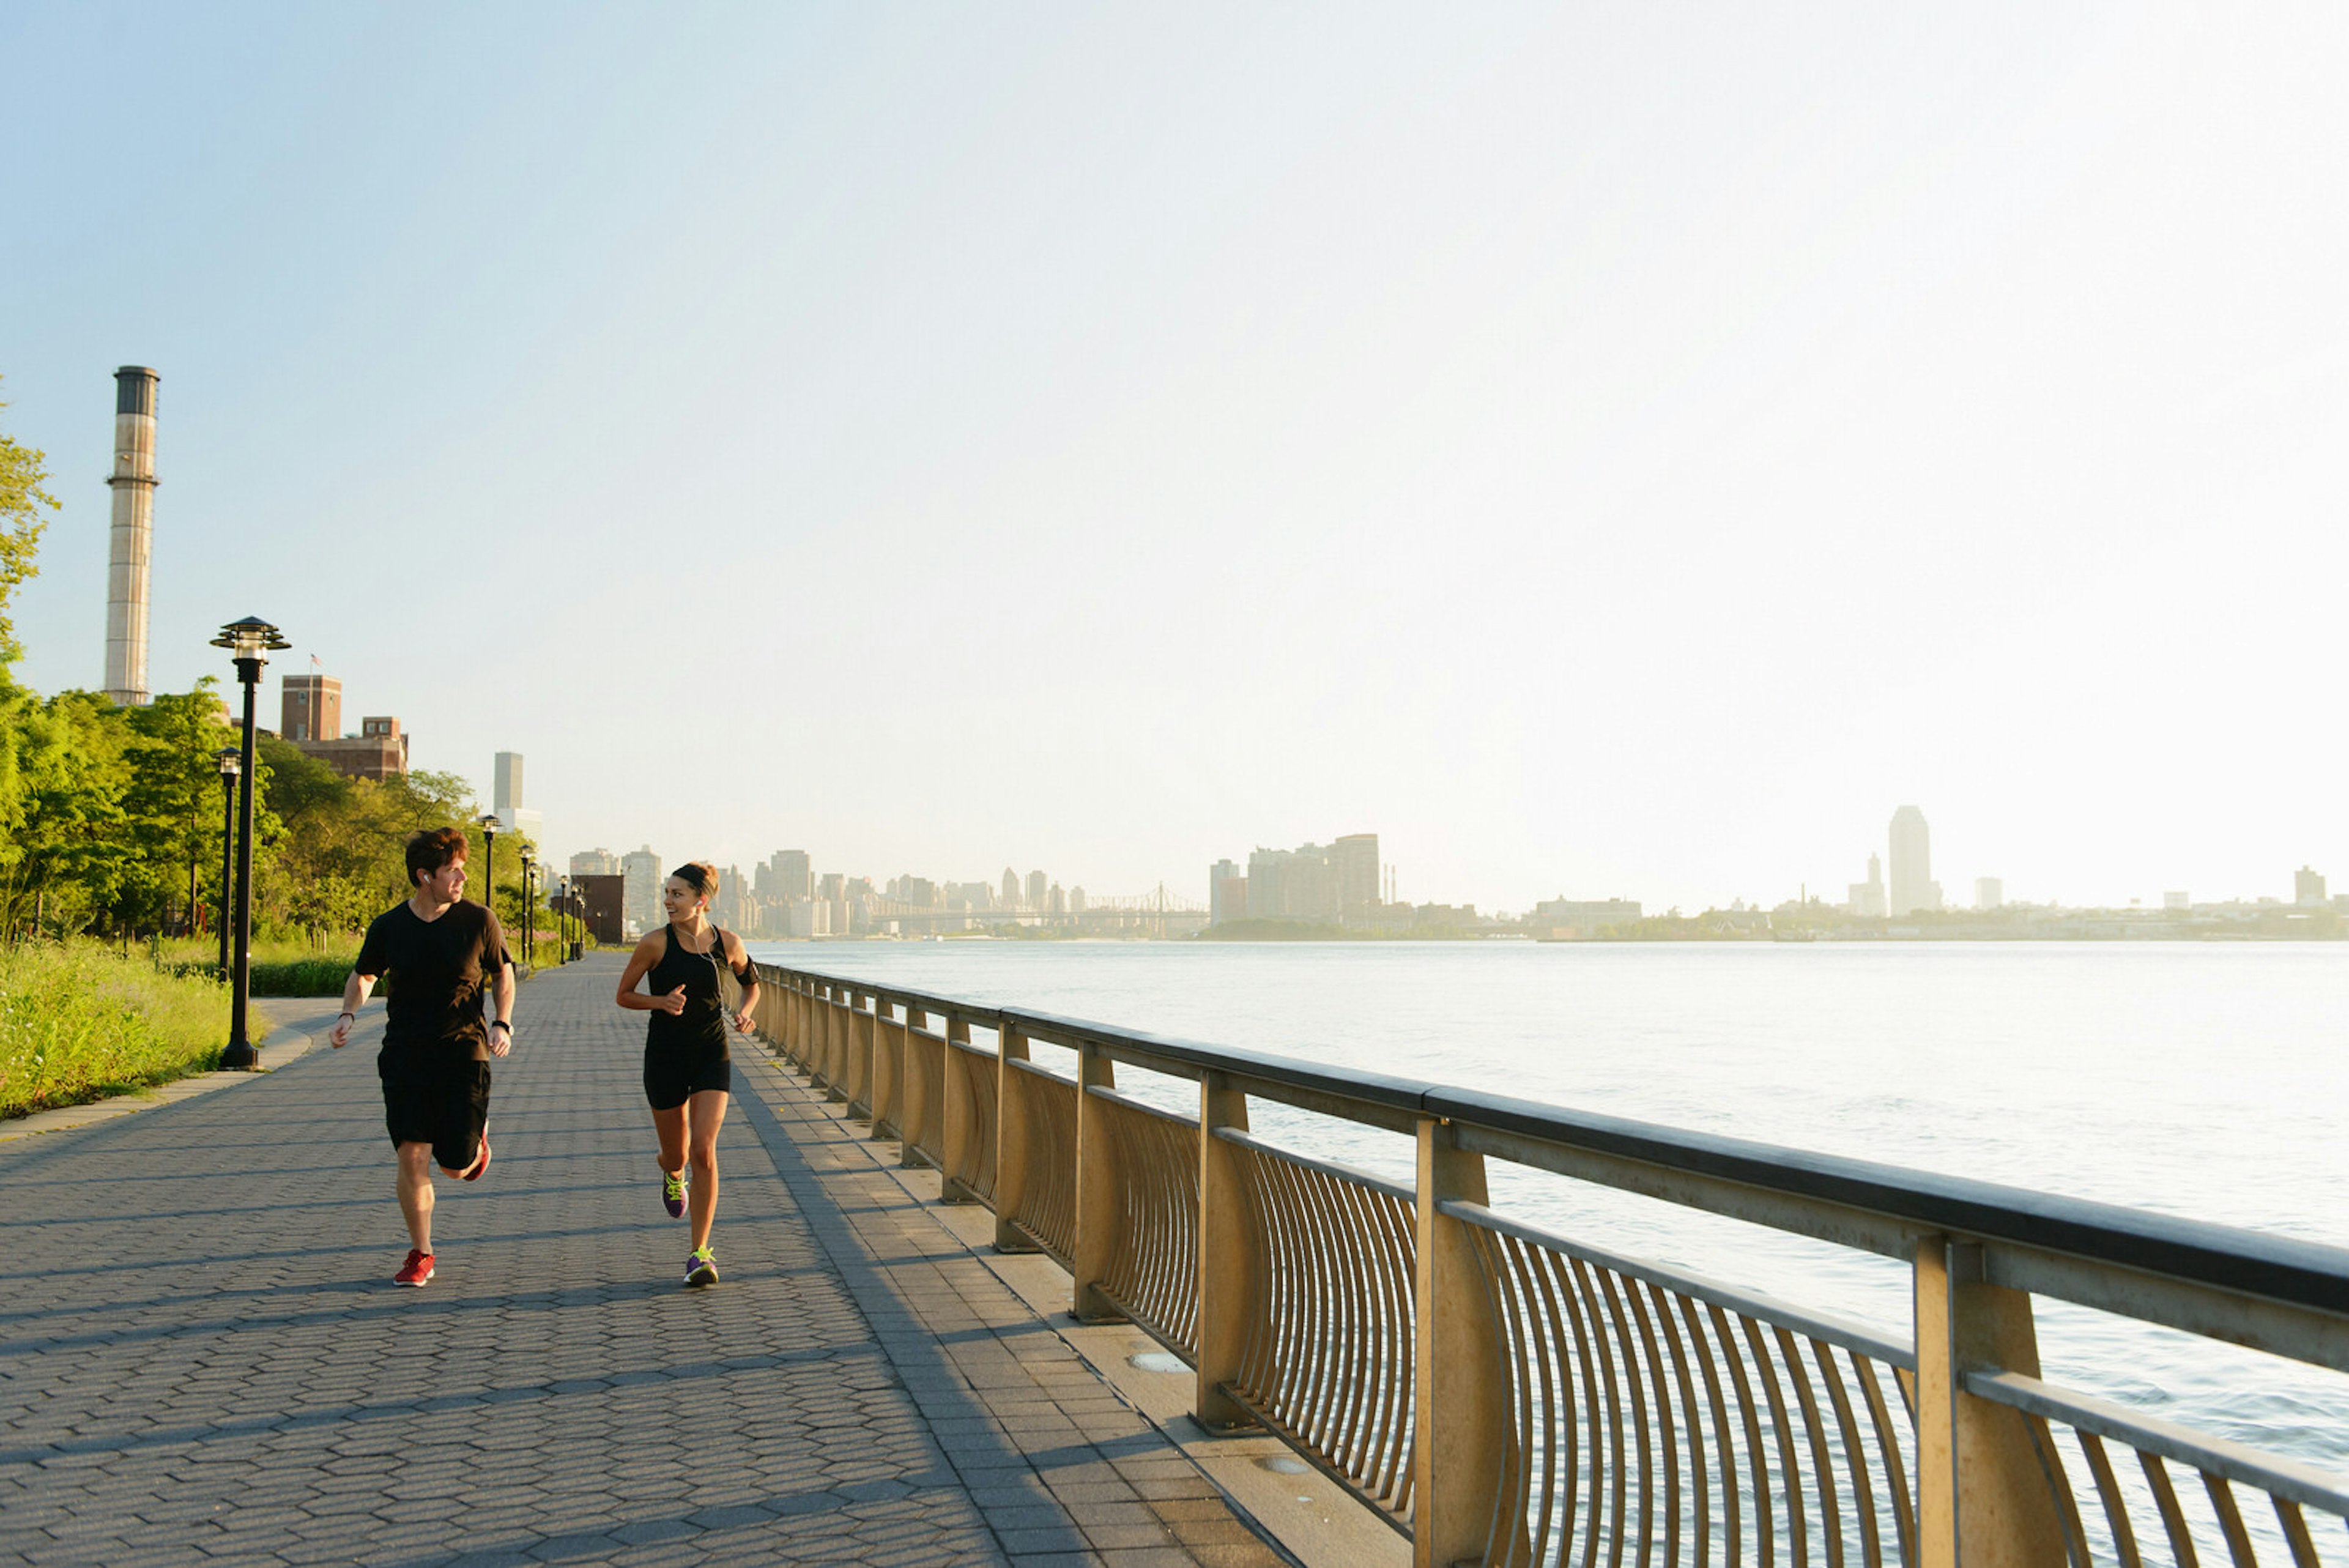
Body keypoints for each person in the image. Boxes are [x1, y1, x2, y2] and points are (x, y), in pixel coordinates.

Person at [331, 826, 516, 1287]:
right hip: (406, 1055)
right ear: (424, 876)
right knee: (412, 1154)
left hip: (465, 1052)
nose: (462, 877)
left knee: (456, 1166)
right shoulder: (390, 926)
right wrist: (348, 1014)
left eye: (462, 868)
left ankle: (475, 1143)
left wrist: (502, 1021)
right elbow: (365, 974)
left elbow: (503, 973)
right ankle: (422, 1252)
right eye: (452, 870)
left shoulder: (479, 920)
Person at [614, 861, 758, 1287]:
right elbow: (623, 994)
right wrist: (660, 1003)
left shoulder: (727, 942)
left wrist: (746, 1013)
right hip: (665, 1056)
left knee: (705, 1151)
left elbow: (753, 982)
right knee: (678, 1154)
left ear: (702, 899)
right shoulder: (654, 943)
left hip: (713, 1052)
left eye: (677, 893)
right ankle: (671, 1172)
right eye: (667, 892)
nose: (668, 900)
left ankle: (700, 1253)